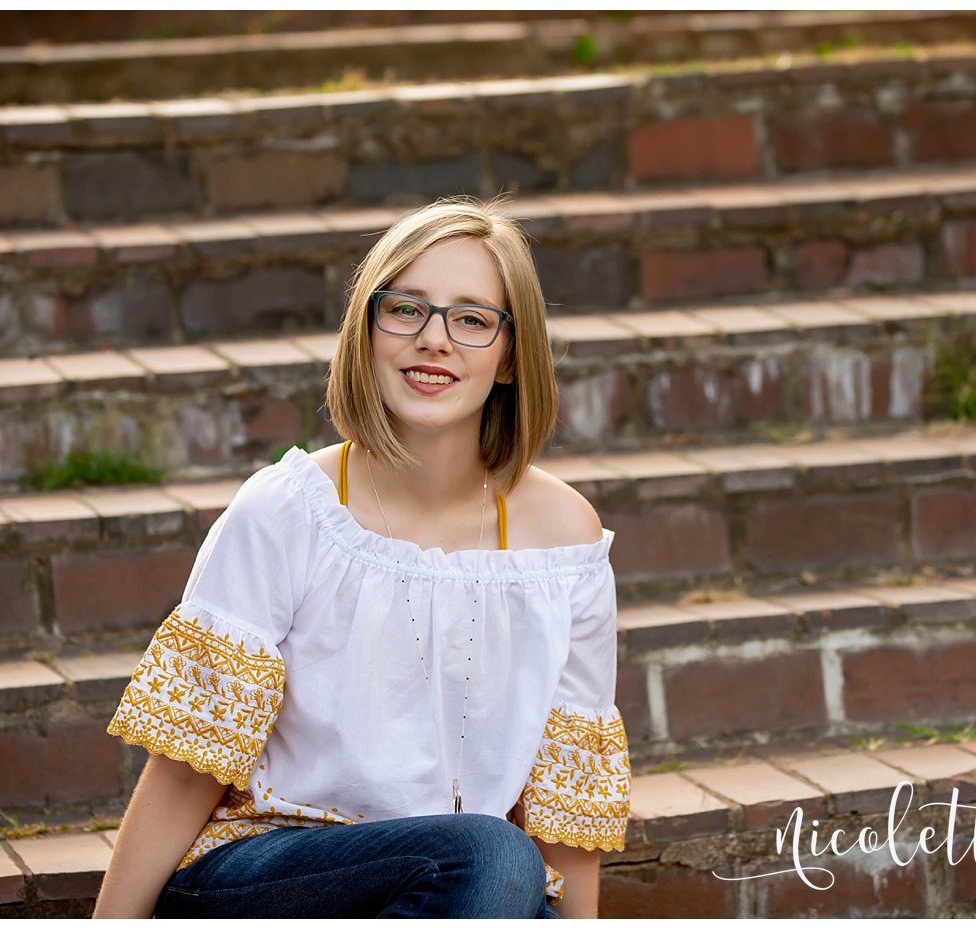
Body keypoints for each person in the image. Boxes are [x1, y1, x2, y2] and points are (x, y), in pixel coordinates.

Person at [93, 199, 630, 918]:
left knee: (519, 885)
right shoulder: (286, 511)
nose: (434, 339)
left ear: (509, 356)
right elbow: (186, 770)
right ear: (369, 329)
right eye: (406, 308)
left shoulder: (564, 543)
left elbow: (567, 813)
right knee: (495, 856)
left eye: (471, 319)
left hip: (457, 884)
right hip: (267, 869)